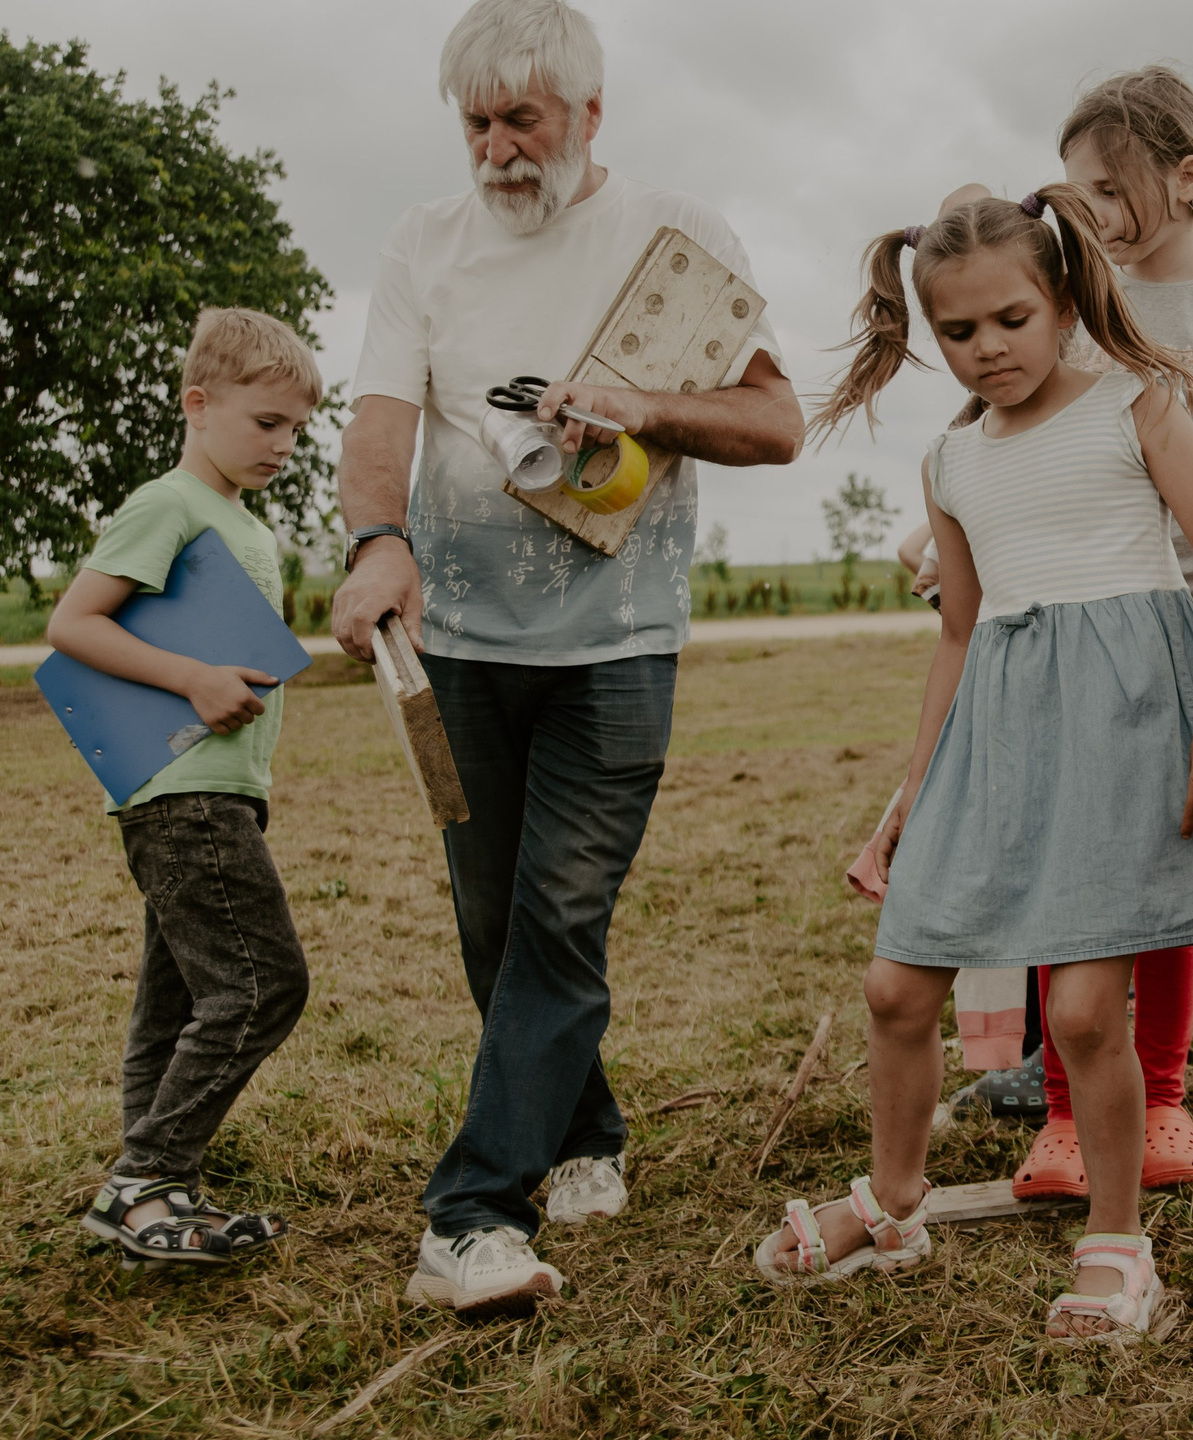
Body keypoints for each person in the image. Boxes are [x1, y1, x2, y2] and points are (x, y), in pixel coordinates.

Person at [328, 0, 803, 1320]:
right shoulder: (422, 244)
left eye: (522, 119)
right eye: (475, 123)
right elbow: (379, 424)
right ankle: (584, 1131)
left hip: (618, 646)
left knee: (556, 917)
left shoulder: (678, 236)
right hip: (459, 650)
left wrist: (651, 408)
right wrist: (378, 539)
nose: (497, 148)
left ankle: (470, 1213)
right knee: (496, 925)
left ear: (592, 115)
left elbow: (779, 420)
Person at [755, 186, 1193, 1343]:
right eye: (960, 332)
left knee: (1081, 1014)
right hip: (995, 738)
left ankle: (1118, 1244)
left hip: (1123, 729)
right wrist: (909, 797)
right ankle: (893, 1202)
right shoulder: (951, 462)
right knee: (894, 987)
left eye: (1012, 320)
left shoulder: (1137, 406)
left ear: (1065, 299)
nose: (988, 349)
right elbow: (961, 632)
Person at [989, 64, 1193, 1199]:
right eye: (1070, 190)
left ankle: (1164, 1097)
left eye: (1106, 188)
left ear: (1185, 178)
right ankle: (1068, 1112)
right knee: (1065, 855)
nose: (1084, 213)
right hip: (1078, 611)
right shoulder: (1071, 305)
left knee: (1174, 858)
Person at [47, 308, 322, 1268]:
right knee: (263, 985)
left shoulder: (238, 520)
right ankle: (149, 1177)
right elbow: (74, 624)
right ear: (197, 406)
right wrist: (193, 679)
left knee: (173, 1002)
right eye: (265, 423)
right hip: (182, 793)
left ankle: (151, 1195)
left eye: (296, 429)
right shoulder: (168, 502)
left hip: (220, 794)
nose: (284, 444)